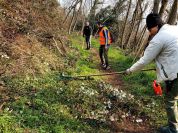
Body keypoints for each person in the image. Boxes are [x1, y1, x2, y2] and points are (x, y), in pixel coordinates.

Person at [125, 13, 178, 133]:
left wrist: (129, 70)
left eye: (149, 29)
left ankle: (173, 129)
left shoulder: (158, 39)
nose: (149, 32)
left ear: (156, 26)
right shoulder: (174, 28)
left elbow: (144, 61)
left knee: (171, 100)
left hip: (176, 75)